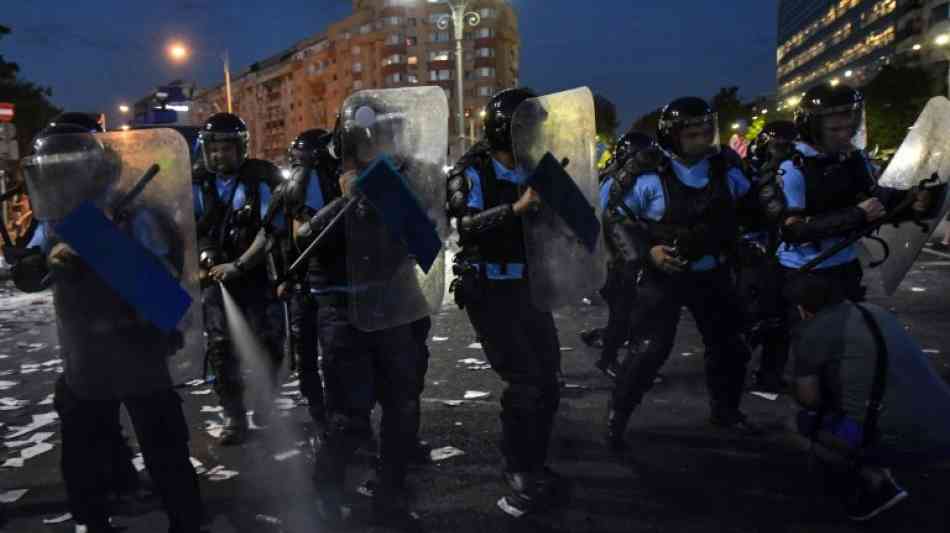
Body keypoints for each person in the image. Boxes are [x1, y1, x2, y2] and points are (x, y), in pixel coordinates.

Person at [17, 124, 202, 533]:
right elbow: (28, 269)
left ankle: (186, 522)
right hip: (85, 352)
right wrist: (42, 261)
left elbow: (165, 291)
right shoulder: (52, 219)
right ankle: (92, 521)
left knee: (164, 448)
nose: (59, 181)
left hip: (139, 347)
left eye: (67, 172)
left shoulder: (136, 214)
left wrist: (100, 245)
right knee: (83, 452)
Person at [605, 97, 768, 452]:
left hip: (713, 272)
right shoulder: (645, 171)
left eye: (705, 132)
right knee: (648, 350)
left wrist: (750, 245)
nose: (700, 140)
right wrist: (648, 252)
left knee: (730, 346)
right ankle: (618, 415)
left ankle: (726, 411)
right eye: (691, 134)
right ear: (672, 136)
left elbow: (754, 212)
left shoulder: (726, 167)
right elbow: (616, 218)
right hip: (663, 274)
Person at [446, 88, 569, 517]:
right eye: (525, 126)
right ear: (504, 128)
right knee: (525, 382)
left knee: (550, 379)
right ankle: (518, 468)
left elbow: (567, 220)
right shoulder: (472, 170)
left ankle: (536, 460)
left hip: (531, 288)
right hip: (490, 291)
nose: (532, 133)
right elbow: (466, 226)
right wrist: (516, 209)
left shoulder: (538, 168)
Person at [783, 274, 950, 521]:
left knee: (796, 423)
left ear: (801, 308)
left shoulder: (812, 333)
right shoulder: (873, 311)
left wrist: (795, 381)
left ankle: (873, 481)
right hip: (943, 420)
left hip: (906, 440)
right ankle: (878, 461)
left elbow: (810, 400)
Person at [193, 112, 285, 445]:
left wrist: (241, 265)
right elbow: (185, 227)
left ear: (241, 148)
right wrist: (203, 258)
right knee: (220, 348)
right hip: (215, 280)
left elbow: (271, 230)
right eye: (212, 149)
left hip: (256, 274)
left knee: (269, 343)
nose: (218, 156)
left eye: (225, 149)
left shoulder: (261, 178)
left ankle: (265, 399)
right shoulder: (198, 183)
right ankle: (234, 416)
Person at [589, 132, 663, 379]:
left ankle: (615, 356)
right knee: (628, 315)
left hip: (614, 260)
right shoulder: (640, 182)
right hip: (625, 261)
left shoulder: (611, 179)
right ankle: (611, 360)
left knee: (625, 315)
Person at [738, 120, 798, 392]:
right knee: (756, 319)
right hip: (752, 251)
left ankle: (769, 375)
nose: (784, 152)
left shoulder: (793, 170)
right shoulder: (746, 172)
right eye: (780, 146)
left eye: (789, 147)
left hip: (780, 252)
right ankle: (733, 369)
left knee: (781, 319)